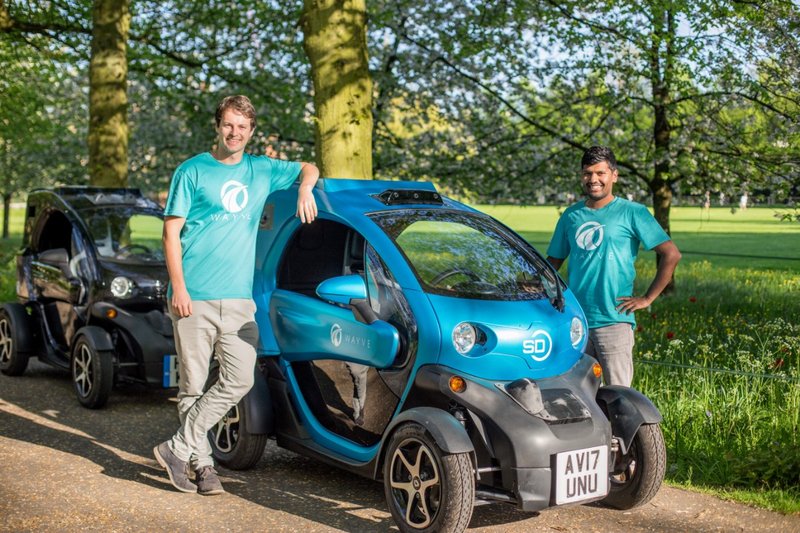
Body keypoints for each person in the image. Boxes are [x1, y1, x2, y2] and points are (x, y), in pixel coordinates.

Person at [153, 95, 319, 495]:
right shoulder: (192, 170)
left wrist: (305, 190)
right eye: (228, 124)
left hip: (239, 301)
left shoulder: (261, 169)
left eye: (242, 127)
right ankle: (203, 466)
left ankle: (177, 448)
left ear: (251, 131)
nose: (235, 132)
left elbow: (309, 167)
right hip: (194, 296)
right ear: (217, 126)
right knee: (193, 387)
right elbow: (171, 233)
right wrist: (179, 287)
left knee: (240, 378)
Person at [546, 146, 681, 387]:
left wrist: (647, 298)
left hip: (614, 320)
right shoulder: (571, 216)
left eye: (600, 173)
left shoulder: (633, 212)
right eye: (587, 173)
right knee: (576, 393)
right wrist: (530, 284)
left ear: (614, 175)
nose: (593, 179)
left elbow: (671, 254)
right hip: (576, 321)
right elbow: (552, 264)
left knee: (618, 394)